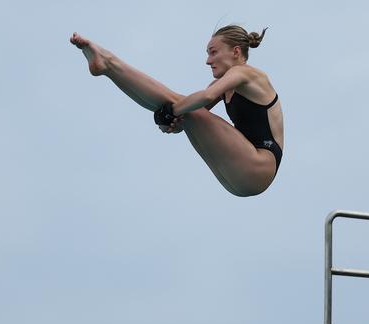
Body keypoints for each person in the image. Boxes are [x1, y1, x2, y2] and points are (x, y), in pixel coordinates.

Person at [70, 25, 284, 197]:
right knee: (185, 107)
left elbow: (204, 98)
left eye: (213, 52)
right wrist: (170, 122)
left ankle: (109, 63)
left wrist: (172, 111)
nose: (208, 60)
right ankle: (108, 69)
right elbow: (187, 114)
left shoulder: (247, 74)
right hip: (241, 178)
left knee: (180, 103)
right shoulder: (225, 84)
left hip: (259, 165)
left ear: (236, 51)